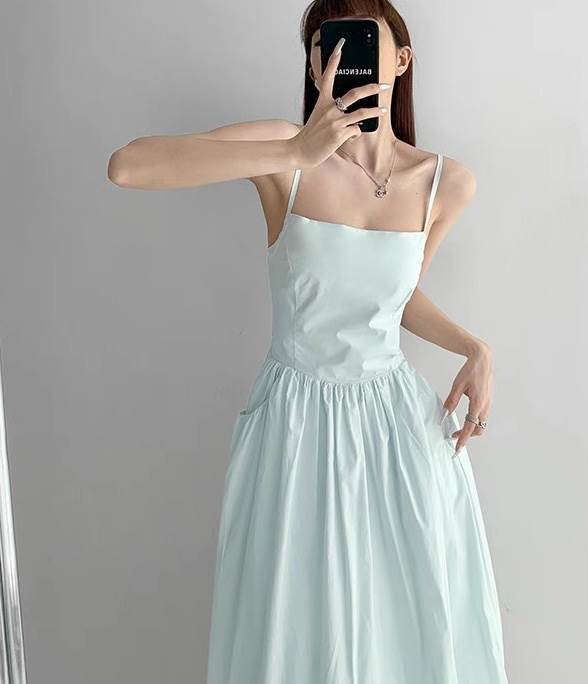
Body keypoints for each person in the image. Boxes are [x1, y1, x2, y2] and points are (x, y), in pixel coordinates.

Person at [108, 3, 508, 682]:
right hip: (295, 424)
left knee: (408, 633)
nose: (343, 57)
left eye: (361, 39)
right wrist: (295, 153)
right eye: (326, 45)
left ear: (401, 60)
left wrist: (475, 348)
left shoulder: (445, 183)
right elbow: (128, 166)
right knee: (294, 631)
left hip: (398, 432)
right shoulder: (283, 151)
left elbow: (392, 296)